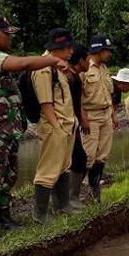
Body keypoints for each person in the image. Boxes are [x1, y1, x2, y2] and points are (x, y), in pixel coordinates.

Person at [0, 15, 69, 239]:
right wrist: (52, 60)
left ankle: (3, 217)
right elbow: (23, 63)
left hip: (6, 129)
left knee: (7, 175)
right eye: (7, 33)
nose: (10, 37)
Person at [31, 28, 76, 223]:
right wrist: (56, 127)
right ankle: (40, 213)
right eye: (69, 47)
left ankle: (62, 205)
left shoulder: (58, 67)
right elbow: (46, 103)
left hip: (65, 125)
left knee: (63, 166)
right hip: (54, 126)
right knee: (48, 169)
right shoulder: (43, 69)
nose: (72, 51)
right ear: (60, 47)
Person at [81, 34, 117, 201]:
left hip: (106, 115)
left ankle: (96, 193)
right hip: (90, 116)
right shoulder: (84, 68)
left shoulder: (104, 69)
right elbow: (77, 97)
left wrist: (113, 115)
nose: (109, 54)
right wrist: (83, 119)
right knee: (88, 155)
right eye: (107, 51)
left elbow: (109, 96)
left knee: (102, 155)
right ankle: (78, 194)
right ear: (99, 50)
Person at [64, 44, 91, 209]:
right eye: (88, 59)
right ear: (81, 60)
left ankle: (72, 196)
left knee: (80, 158)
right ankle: (68, 198)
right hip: (65, 124)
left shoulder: (76, 77)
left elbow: (77, 102)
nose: (90, 62)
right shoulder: (69, 78)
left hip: (72, 122)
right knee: (76, 159)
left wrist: (82, 119)